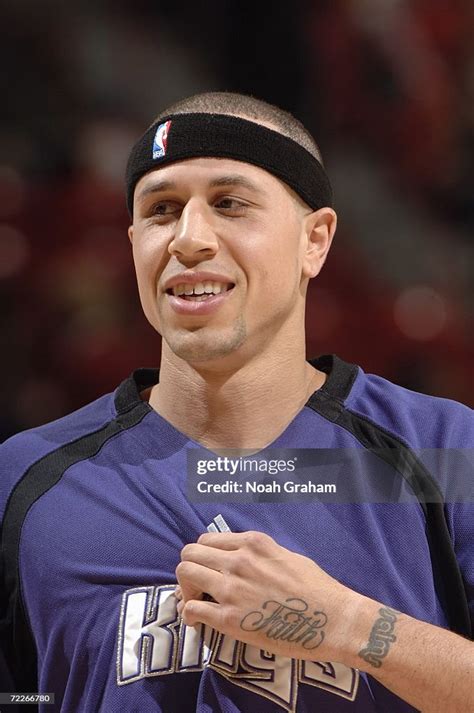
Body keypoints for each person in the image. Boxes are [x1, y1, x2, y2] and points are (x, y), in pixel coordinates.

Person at [0, 91, 472, 713]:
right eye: (162, 209)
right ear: (134, 240)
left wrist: (352, 625)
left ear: (316, 241)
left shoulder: (445, 452)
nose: (189, 239)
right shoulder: (24, 478)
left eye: (230, 203)